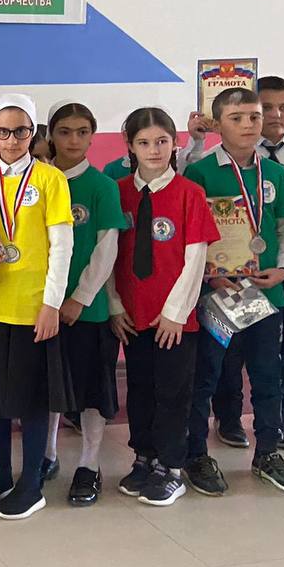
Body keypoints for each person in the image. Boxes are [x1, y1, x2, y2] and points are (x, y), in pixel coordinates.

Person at [183, 76, 284, 452]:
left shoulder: (275, 173)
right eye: (236, 118)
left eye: (254, 116)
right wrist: (212, 277)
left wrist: (283, 269)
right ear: (218, 124)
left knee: (267, 372)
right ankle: (197, 453)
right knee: (210, 372)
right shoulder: (201, 172)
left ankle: (267, 451)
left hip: (267, 291)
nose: (248, 125)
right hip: (219, 291)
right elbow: (194, 235)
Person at [0, 94, 74, 520]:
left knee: (31, 401)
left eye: (22, 131)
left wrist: (51, 304)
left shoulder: (50, 179)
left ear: (34, 132)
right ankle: (1, 475)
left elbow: (62, 246)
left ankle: (31, 483)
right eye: (3, 131)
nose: (12, 140)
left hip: (32, 309)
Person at [107, 109, 218, 507]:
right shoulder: (117, 191)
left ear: (175, 143)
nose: (153, 150)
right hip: (132, 314)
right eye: (144, 142)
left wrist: (175, 313)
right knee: (139, 388)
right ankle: (144, 457)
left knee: (173, 392)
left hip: (174, 318)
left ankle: (171, 467)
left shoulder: (189, 193)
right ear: (130, 146)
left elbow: (195, 259)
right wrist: (114, 305)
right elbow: (107, 256)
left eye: (162, 141)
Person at [45, 102, 128, 506]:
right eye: (64, 132)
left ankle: (89, 464)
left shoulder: (102, 186)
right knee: (47, 386)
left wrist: (80, 298)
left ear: (93, 136)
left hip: (88, 310)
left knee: (93, 389)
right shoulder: (39, 180)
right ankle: (47, 455)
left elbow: (105, 249)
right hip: (43, 307)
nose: (73, 140)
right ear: (51, 135)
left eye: (82, 132)